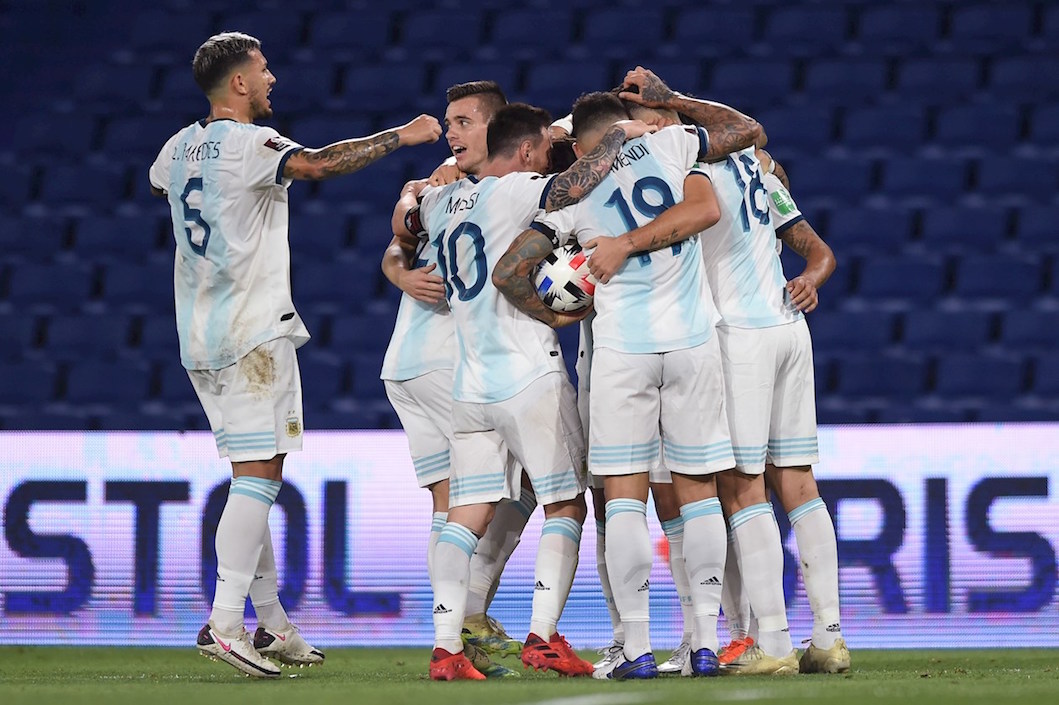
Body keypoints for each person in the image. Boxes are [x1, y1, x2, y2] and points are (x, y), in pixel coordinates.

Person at [147, 31, 441, 678]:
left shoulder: (174, 148)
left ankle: (272, 624)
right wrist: (405, 135)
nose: (272, 77)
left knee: (253, 475)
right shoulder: (253, 143)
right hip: (252, 331)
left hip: (197, 334)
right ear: (240, 84)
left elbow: (160, 187)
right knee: (260, 477)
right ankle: (226, 623)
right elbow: (316, 165)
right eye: (263, 68)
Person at [496, 86, 761, 680]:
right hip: (693, 342)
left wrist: (558, 316)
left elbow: (510, 270)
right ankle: (704, 644)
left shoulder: (564, 197)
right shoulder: (670, 145)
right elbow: (741, 137)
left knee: (623, 502)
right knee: (698, 497)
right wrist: (668, 105)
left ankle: (636, 649)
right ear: (627, 124)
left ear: (580, 139)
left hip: (620, 352)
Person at [399, 102, 654, 680]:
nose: (546, 158)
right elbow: (574, 182)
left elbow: (405, 225)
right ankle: (542, 637)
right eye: (540, 148)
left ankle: (445, 647)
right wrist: (618, 135)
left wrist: (416, 193)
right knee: (566, 502)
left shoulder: (440, 201)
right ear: (522, 153)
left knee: (464, 516)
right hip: (526, 373)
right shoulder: (518, 191)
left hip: (468, 380)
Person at [614, 69, 846, 675]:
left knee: (742, 490)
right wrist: (809, 281)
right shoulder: (757, 166)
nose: (635, 134)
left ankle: (770, 642)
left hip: (737, 337)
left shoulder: (681, 170)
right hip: (787, 331)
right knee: (798, 483)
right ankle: (829, 636)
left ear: (667, 123)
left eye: (642, 122)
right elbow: (816, 249)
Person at [380, 80, 530, 677]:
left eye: (464, 122)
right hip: (449, 361)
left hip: (409, 363)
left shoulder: (441, 189)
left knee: (458, 504)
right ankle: (464, 619)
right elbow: (397, 243)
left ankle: (458, 627)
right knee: (510, 492)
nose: (451, 132)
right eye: (450, 122)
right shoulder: (483, 189)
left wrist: (397, 264)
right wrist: (398, 270)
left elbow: (399, 238)